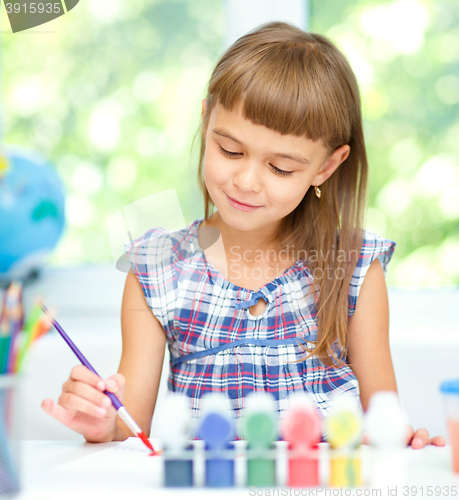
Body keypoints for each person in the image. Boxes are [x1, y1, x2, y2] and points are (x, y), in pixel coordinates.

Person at [42, 21, 445, 448]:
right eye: (229, 150)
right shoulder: (157, 267)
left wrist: (408, 444)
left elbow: (383, 422)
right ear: (206, 119)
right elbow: (131, 424)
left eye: (280, 168)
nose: (247, 180)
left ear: (326, 166)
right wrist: (104, 423)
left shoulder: (354, 266)